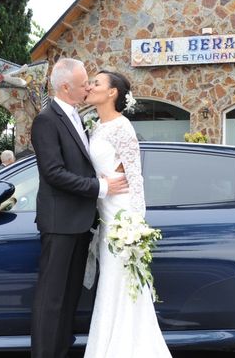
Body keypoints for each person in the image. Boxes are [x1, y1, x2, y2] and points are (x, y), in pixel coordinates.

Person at [30, 58, 129, 358]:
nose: (87, 86)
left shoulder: (77, 117)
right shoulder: (46, 120)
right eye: (83, 82)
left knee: (69, 297)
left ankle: (60, 351)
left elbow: (80, 165)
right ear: (65, 87)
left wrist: (96, 179)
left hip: (81, 224)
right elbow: (53, 173)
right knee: (52, 299)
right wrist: (100, 187)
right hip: (60, 224)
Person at [83, 70, 170, 358]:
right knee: (110, 286)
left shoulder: (123, 128)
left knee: (123, 286)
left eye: (96, 83)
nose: (90, 86)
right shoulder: (96, 126)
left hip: (121, 220)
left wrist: (135, 227)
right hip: (105, 216)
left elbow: (135, 177)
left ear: (112, 93)